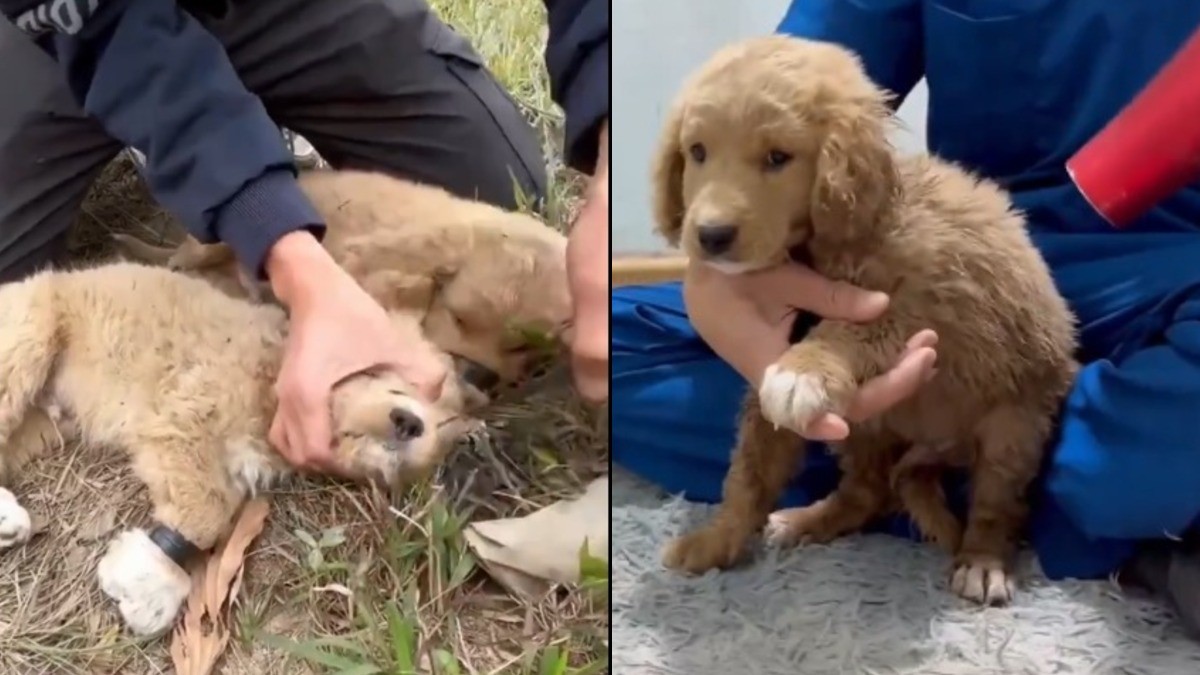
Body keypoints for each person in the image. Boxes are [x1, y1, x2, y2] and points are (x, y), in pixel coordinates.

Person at [612, 0, 1200, 623]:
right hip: (906, 266)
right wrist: (718, 298)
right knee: (606, 337)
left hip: (1157, 272)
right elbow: (783, 86)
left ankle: (993, 472)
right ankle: (1096, 492)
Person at [0, 0, 610, 469]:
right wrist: (295, 262)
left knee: (493, 185)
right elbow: (116, 35)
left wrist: (617, 159)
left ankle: (241, 131)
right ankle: (203, 153)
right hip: (88, 26)